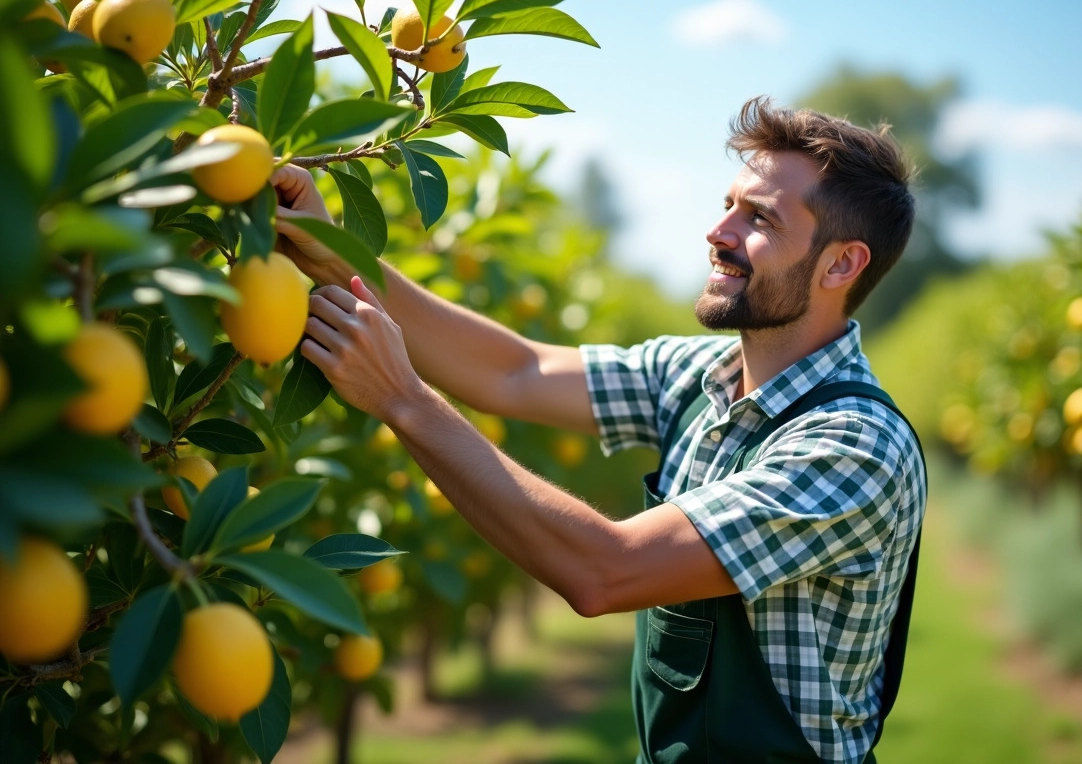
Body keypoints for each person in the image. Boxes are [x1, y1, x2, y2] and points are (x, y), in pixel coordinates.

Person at [270, 96, 927, 764]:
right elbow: (516, 372)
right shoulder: (700, 375)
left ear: (840, 265)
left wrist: (403, 401)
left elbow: (604, 571)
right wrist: (332, 255)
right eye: (729, 203)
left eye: (759, 217)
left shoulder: (853, 445)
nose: (718, 231)